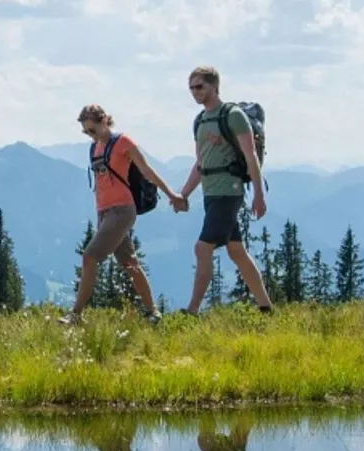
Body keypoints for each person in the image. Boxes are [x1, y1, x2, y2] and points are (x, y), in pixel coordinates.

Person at [62, 104, 187, 325]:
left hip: (123, 211)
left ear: (104, 121)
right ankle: (153, 312)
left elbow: (147, 171)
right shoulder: (95, 148)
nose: (90, 135)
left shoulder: (124, 143)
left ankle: (76, 315)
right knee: (130, 263)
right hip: (106, 212)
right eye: (86, 132)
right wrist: (100, 215)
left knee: (89, 257)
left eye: (92, 129)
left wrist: (172, 195)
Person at [177, 67, 274, 315]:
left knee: (202, 248)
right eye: (191, 87)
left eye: (200, 86)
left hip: (229, 191)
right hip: (210, 193)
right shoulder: (200, 121)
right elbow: (201, 163)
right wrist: (184, 193)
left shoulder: (233, 116)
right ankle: (266, 308)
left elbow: (250, 156)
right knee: (236, 250)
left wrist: (259, 196)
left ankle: (192, 311)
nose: (195, 92)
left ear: (214, 86)